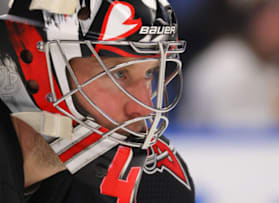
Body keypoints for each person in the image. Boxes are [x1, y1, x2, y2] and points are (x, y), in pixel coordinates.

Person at [0, 0, 195, 202]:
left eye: (149, 73)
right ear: (33, 62)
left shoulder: (155, 182)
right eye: (119, 73)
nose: (143, 108)